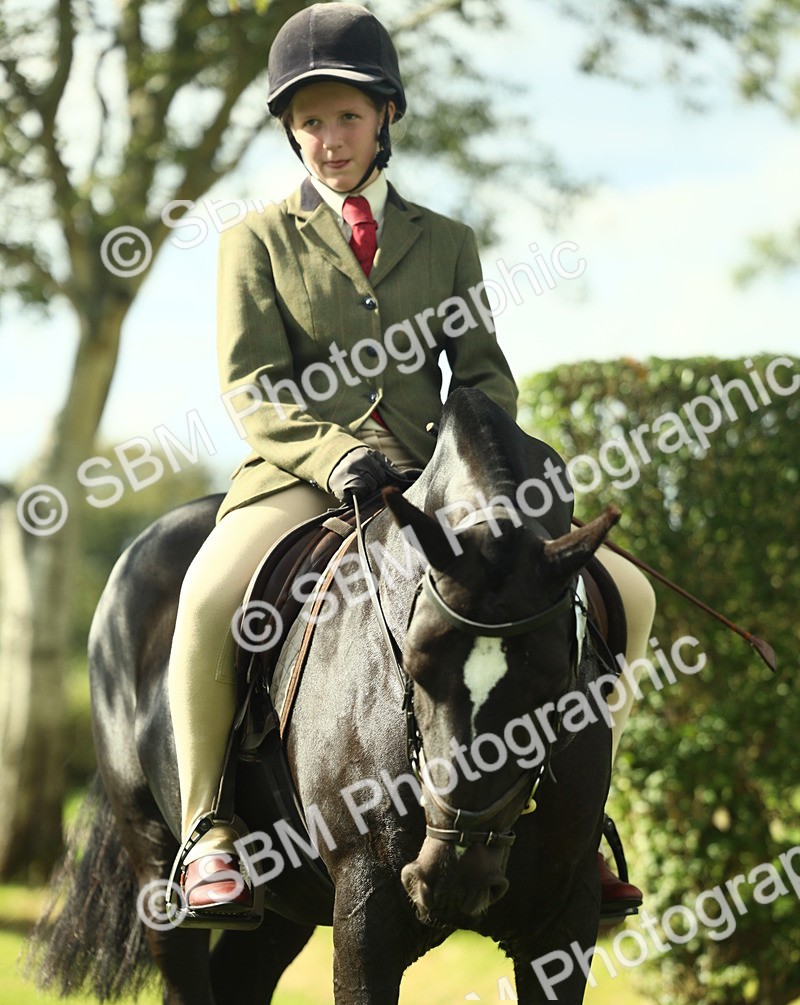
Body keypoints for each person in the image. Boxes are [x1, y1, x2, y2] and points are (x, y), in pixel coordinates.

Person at [167, 2, 652, 924]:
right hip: (300, 479)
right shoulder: (255, 239)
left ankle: (575, 825)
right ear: (290, 131)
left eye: (346, 116)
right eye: (308, 121)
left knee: (629, 596)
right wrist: (338, 452)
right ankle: (207, 833)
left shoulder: (448, 241)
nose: (327, 139)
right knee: (205, 601)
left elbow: (483, 379)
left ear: (386, 116)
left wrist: (478, 473)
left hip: (435, 488)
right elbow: (253, 385)